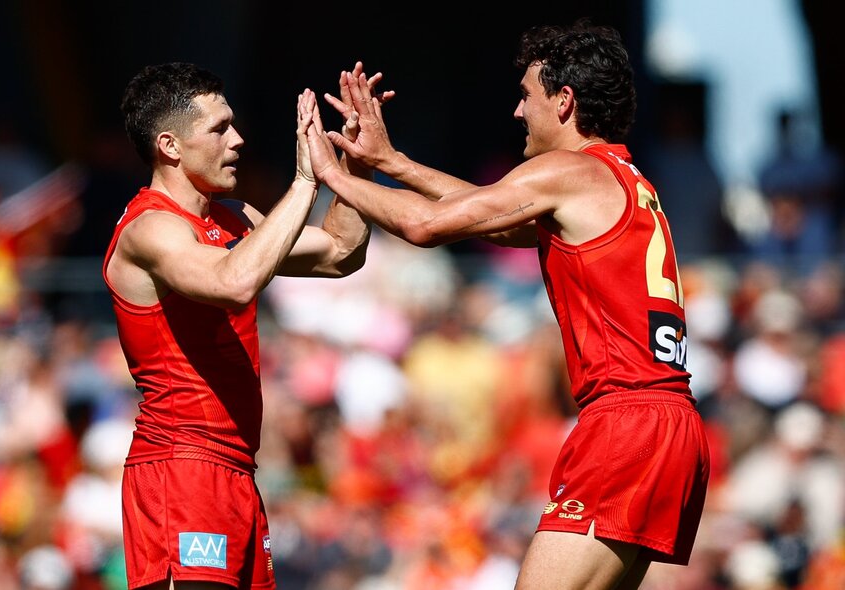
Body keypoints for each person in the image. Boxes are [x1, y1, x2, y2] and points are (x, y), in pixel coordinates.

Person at [304, 20, 711, 590]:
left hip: (627, 424)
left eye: (527, 96)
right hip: (665, 420)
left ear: (564, 102)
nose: (518, 112)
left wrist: (331, 176)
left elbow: (424, 227)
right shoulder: (620, 179)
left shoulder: (570, 170)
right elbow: (492, 220)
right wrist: (391, 162)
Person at [103, 61, 390, 589]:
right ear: (170, 146)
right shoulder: (151, 229)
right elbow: (234, 282)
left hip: (237, 472)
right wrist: (305, 181)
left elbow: (343, 252)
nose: (237, 140)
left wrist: (353, 165)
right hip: (180, 467)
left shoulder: (234, 220)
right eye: (218, 129)